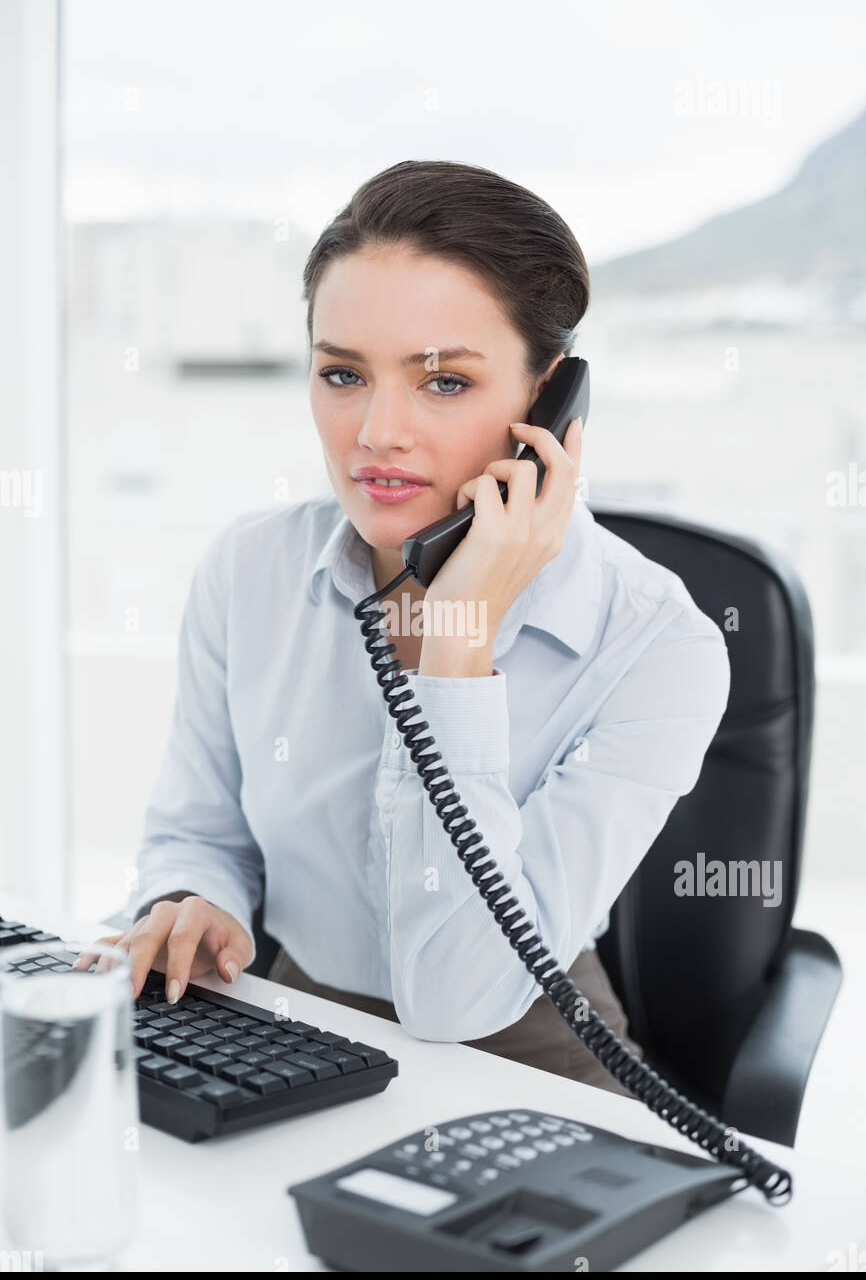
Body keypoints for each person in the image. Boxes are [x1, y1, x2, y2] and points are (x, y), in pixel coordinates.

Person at [109, 160, 731, 1096]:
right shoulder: (250, 571)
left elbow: (457, 998)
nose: (376, 433)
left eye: (444, 383)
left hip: (527, 1036)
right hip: (295, 1012)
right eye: (343, 374)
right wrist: (197, 899)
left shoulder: (660, 648)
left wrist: (461, 636)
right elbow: (200, 829)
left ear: (551, 402)